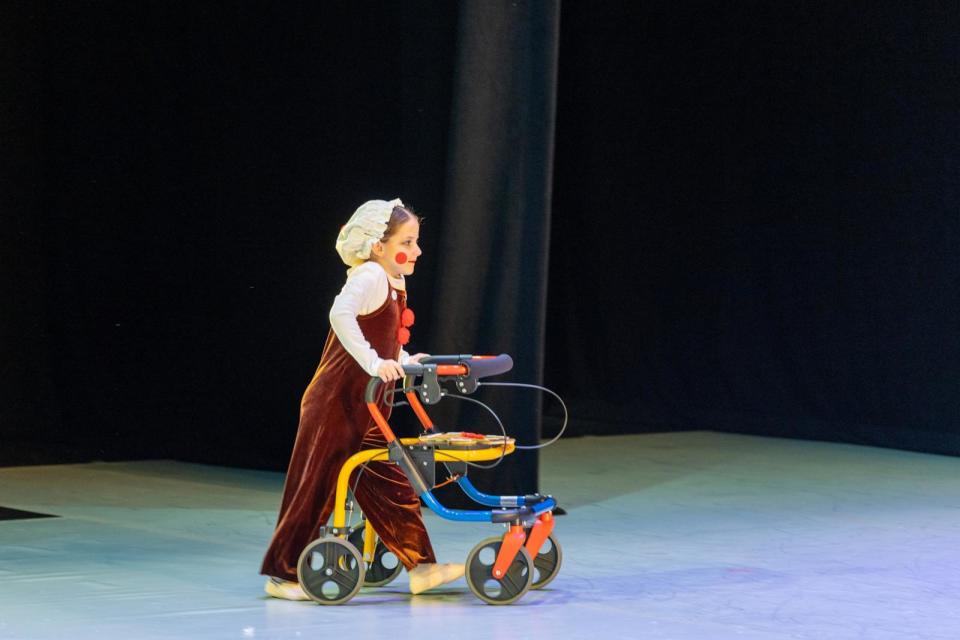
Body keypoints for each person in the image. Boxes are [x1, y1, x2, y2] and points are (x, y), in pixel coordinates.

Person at [260, 198, 463, 600]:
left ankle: (421, 567)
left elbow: (382, 338)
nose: (418, 250)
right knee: (316, 488)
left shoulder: (394, 280)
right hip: (336, 403)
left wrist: (404, 360)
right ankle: (283, 574)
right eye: (409, 241)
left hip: (369, 407)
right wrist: (374, 362)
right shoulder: (370, 275)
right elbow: (341, 314)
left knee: (391, 486)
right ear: (377, 245)